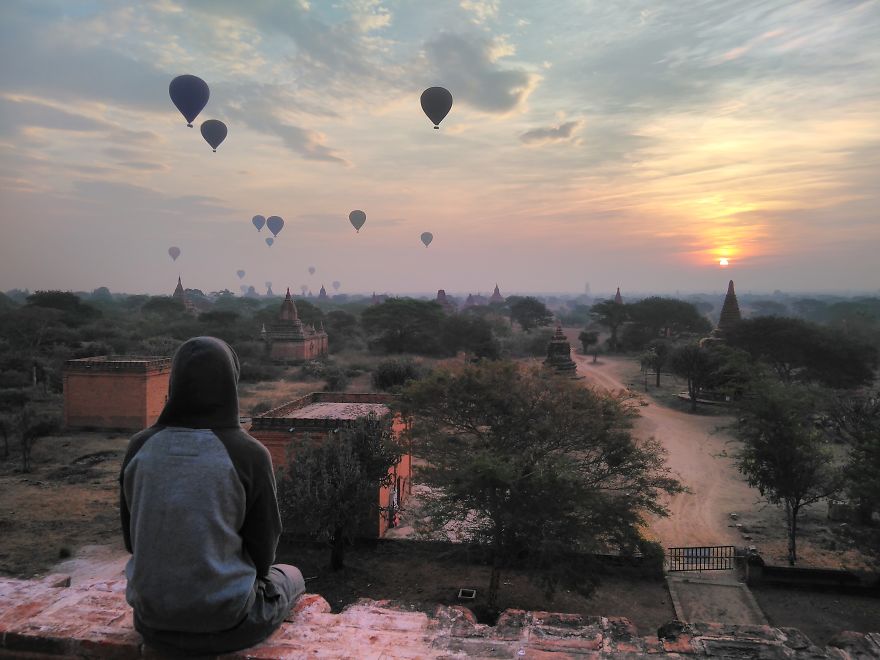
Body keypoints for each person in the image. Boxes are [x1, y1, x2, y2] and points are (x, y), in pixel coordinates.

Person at [119, 336, 304, 655]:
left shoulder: (139, 446)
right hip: (229, 623)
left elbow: (131, 541)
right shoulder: (248, 453)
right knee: (292, 576)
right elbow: (263, 553)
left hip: (152, 621)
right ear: (230, 383)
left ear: (175, 383)